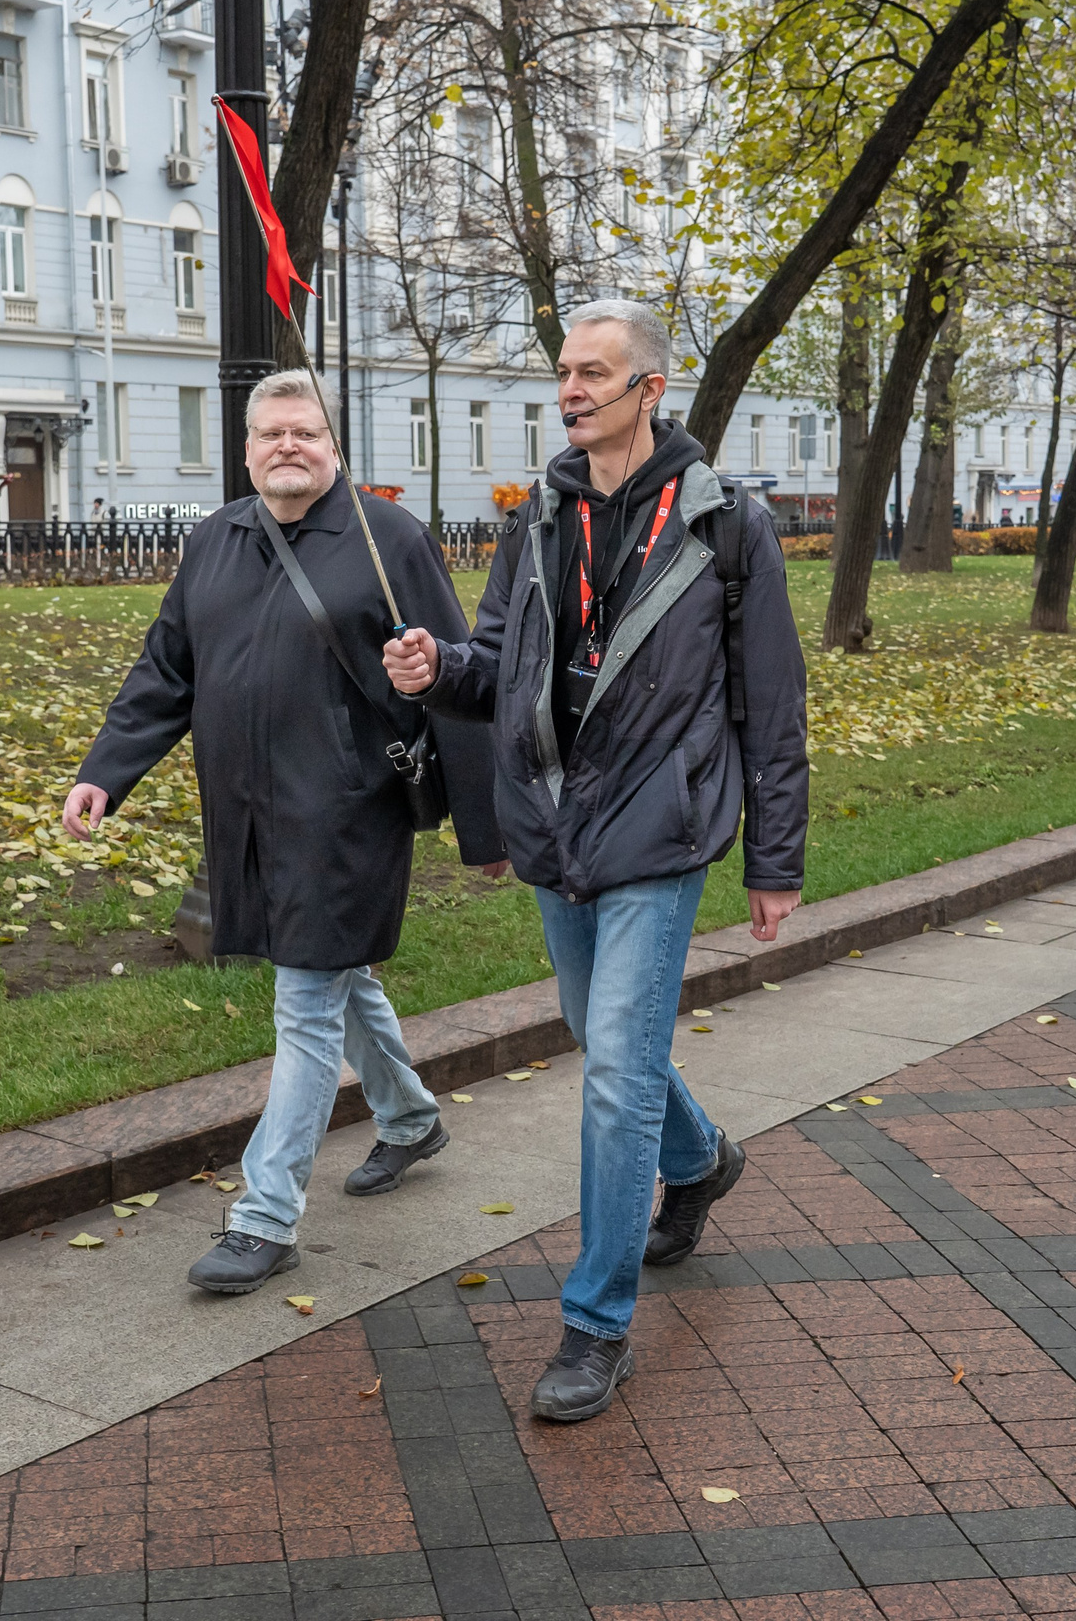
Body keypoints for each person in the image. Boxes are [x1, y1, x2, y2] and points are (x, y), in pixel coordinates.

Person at [381, 300, 809, 1424]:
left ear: (649, 390)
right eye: (562, 372)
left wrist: (774, 858)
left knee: (615, 1070)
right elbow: (496, 666)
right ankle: (704, 1158)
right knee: (599, 1034)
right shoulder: (535, 517)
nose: (569, 390)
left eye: (592, 374)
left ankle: (595, 1322)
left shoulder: (727, 524)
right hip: (557, 825)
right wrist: (439, 669)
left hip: (661, 833)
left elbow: (771, 706)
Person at [62, 369, 504, 1294]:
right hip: (247, 815)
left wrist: (486, 828)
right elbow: (166, 671)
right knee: (334, 975)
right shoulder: (214, 540)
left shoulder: (389, 540)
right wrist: (106, 772)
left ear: (334, 449)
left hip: (349, 815)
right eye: (271, 434)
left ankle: (264, 1217)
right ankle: (413, 1120)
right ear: (248, 448)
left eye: (306, 433)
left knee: (304, 1001)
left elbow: (461, 679)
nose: (288, 447)